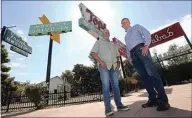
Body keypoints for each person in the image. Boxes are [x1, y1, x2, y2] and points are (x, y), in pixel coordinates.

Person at [121, 18, 170, 111]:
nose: (124, 23)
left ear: (129, 22)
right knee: (144, 77)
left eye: (126, 21)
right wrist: (130, 58)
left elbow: (147, 33)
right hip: (133, 55)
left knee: (152, 74)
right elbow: (127, 48)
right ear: (122, 26)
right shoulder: (126, 37)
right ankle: (153, 99)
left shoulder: (136, 27)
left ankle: (163, 101)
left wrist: (146, 45)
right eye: (123, 23)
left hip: (141, 49)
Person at [90, 29, 129, 116]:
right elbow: (93, 53)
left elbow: (117, 54)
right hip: (104, 66)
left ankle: (119, 105)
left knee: (116, 85)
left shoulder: (113, 44)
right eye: (105, 32)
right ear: (102, 34)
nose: (106, 33)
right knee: (106, 86)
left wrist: (118, 62)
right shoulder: (99, 42)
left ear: (109, 33)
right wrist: (101, 62)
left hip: (114, 67)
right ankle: (107, 109)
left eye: (107, 32)